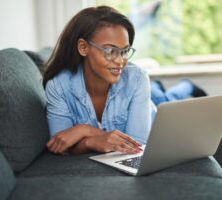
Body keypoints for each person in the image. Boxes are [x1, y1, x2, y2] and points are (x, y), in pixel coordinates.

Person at [42, 6, 154, 155]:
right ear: (83, 48)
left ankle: (185, 87)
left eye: (125, 51)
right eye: (110, 51)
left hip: (151, 109)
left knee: (167, 97)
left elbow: (137, 145)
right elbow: (61, 146)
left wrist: (83, 132)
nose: (120, 61)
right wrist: (92, 140)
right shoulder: (58, 86)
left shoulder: (138, 79)